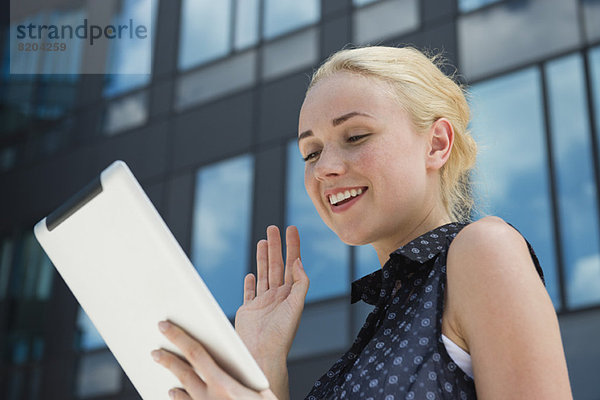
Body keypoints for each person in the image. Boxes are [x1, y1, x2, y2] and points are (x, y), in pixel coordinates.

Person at [149, 46, 573, 399]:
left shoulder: (483, 250)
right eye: (311, 152)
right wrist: (264, 372)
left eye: (355, 136)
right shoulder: (375, 331)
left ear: (437, 144)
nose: (324, 169)